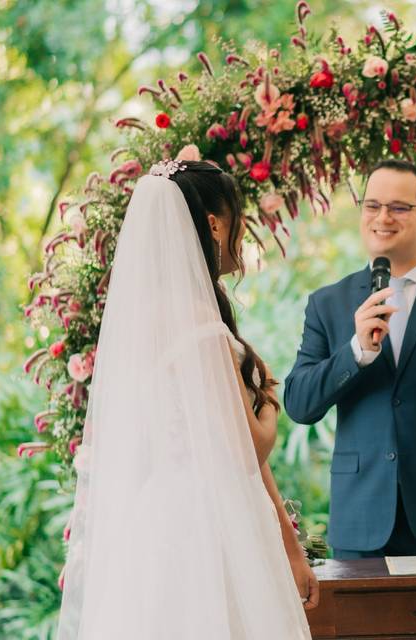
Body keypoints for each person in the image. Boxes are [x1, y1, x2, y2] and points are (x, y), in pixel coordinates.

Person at [57, 160, 315, 639]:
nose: (245, 233)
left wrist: (289, 543)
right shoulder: (200, 326)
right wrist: (271, 400)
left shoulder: (143, 325)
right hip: (207, 528)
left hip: (155, 520)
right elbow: (249, 449)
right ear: (215, 224)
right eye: (239, 218)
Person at [284, 160, 416, 559]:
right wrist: (356, 352)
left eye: (398, 207)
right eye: (372, 205)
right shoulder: (328, 303)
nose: (382, 217)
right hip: (360, 519)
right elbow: (299, 404)